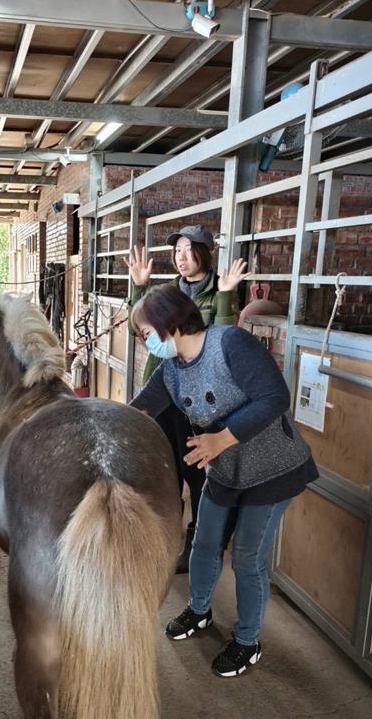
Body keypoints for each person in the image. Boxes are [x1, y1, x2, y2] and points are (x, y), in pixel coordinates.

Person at [130, 285, 318, 677]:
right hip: (225, 469)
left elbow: (274, 398)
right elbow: (139, 411)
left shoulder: (229, 342)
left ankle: (248, 641)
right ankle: (199, 611)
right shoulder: (171, 371)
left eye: (145, 331)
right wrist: (92, 420)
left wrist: (221, 438)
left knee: (248, 557)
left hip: (272, 469)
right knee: (204, 542)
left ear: (169, 323)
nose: (144, 340)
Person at [125, 225, 248, 571]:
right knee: (163, 470)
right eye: (176, 250)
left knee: (195, 474)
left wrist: (226, 295)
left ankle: (196, 546)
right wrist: (139, 289)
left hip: (196, 400)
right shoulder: (164, 292)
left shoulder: (217, 292)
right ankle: (164, 539)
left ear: (205, 253)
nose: (181, 256)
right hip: (163, 391)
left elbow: (225, 338)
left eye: (188, 249)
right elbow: (141, 331)